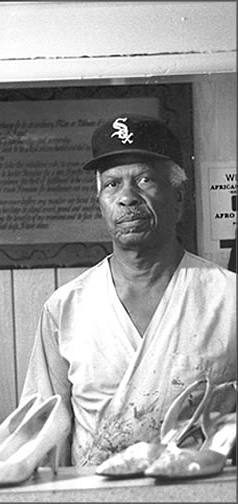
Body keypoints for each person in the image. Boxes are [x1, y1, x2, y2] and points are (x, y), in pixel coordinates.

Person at [20, 114, 236, 467]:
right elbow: (41, 436)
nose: (127, 198)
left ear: (179, 197)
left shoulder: (228, 298)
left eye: (145, 180)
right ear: (101, 204)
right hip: (96, 496)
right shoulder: (67, 307)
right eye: (112, 185)